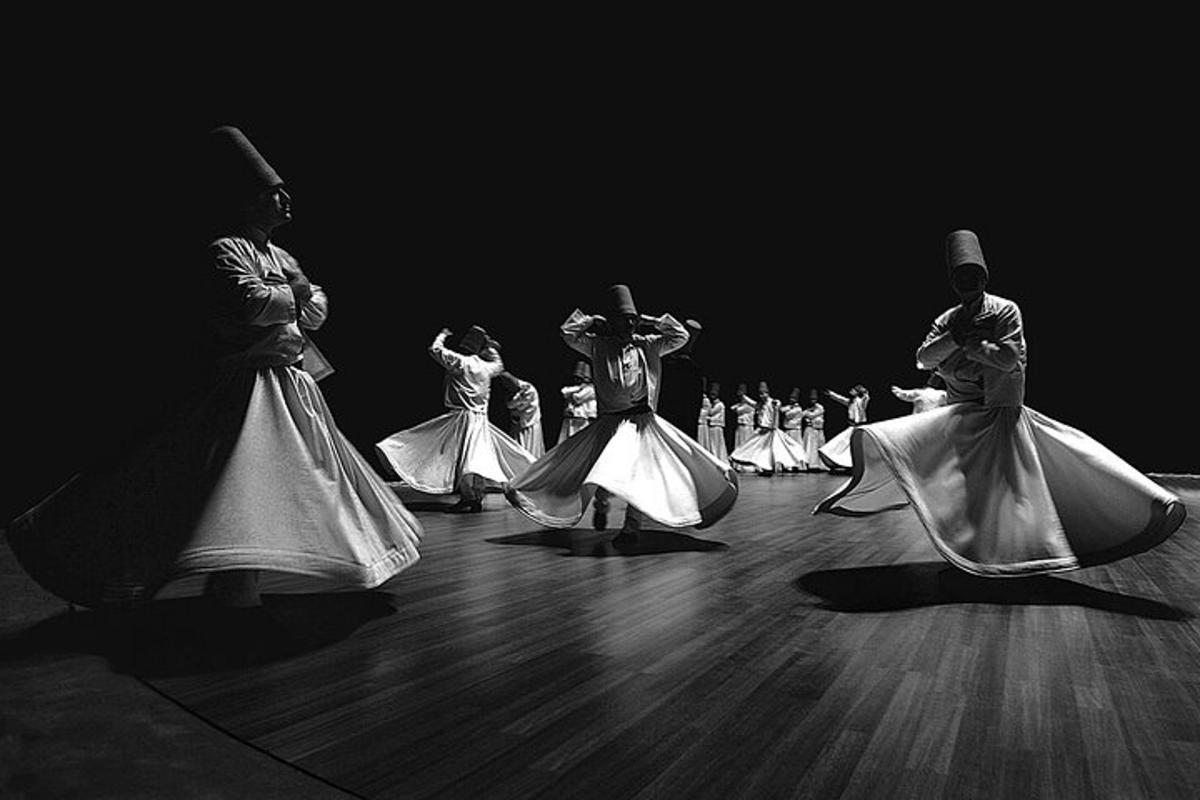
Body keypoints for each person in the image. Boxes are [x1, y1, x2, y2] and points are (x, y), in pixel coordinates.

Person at [6, 125, 423, 610]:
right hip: (246, 384)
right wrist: (297, 291)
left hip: (290, 382)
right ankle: (228, 584)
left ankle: (246, 582)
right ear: (248, 201)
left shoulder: (281, 255)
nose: (286, 201)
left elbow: (315, 314)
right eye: (273, 194)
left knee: (305, 477)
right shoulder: (225, 249)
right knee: (233, 479)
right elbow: (251, 303)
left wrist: (294, 295)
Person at [814, 229, 1186, 576]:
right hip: (960, 413)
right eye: (960, 276)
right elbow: (922, 358)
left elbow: (1008, 358)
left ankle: (1022, 552)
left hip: (999, 413)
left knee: (1009, 488)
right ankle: (983, 550)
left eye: (973, 275)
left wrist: (972, 345)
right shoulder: (948, 319)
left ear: (984, 277)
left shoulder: (1006, 309)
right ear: (953, 282)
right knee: (959, 482)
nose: (967, 282)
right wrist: (957, 339)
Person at [504, 284, 738, 546]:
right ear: (612, 322)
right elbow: (567, 333)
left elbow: (680, 336)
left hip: (642, 422)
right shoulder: (597, 345)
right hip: (611, 421)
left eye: (632, 320)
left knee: (639, 475)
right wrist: (592, 320)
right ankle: (602, 503)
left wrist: (650, 320)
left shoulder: (649, 345)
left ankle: (630, 528)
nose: (628, 325)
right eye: (623, 320)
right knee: (605, 471)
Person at [376, 325, 535, 513]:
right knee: (475, 458)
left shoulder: (460, 362)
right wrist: (491, 348)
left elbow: (435, 350)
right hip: (480, 419)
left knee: (467, 459)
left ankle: (470, 498)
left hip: (463, 418)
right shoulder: (486, 367)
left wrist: (442, 335)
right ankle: (474, 497)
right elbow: (499, 365)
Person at [729, 380, 808, 475]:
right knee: (753, 447)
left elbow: (778, 405)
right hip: (762, 430)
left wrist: (776, 405)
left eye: (763, 394)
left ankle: (772, 467)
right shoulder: (761, 404)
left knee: (779, 449)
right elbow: (752, 404)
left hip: (771, 431)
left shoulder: (773, 402)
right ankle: (741, 459)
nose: (761, 396)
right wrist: (743, 396)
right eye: (760, 394)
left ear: (768, 393)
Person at [818, 384, 870, 472]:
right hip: (851, 427)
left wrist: (864, 391)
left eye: (853, 390)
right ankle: (844, 463)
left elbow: (866, 398)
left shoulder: (861, 402)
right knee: (842, 444)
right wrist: (831, 394)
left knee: (852, 446)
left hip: (858, 427)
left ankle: (852, 464)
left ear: (857, 392)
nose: (851, 391)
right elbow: (840, 398)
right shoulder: (850, 402)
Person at [499, 371, 545, 459]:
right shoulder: (514, 391)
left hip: (529, 423)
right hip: (518, 424)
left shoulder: (528, 389)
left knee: (528, 447)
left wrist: (512, 404)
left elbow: (512, 404)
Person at [558, 360, 597, 444]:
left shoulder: (591, 389)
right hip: (572, 418)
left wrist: (574, 393)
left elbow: (578, 398)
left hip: (583, 420)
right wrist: (578, 388)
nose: (576, 380)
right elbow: (564, 391)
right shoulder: (578, 388)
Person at [729, 383, 758, 472]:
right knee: (739, 444)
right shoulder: (742, 404)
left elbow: (737, 410)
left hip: (747, 427)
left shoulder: (749, 405)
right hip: (741, 426)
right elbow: (732, 407)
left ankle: (747, 465)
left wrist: (743, 399)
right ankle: (739, 465)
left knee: (746, 445)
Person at [697, 381, 728, 462]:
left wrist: (707, 415)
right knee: (712, 444)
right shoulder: (714, 404)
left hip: (716, 427)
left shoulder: (719, 405)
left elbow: (711, 412)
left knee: (716, 444)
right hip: (712, 427)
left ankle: (718, 458)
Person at [801, 389, 827, 471]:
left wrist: (807, 413)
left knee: (818, 447)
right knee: (809, 447)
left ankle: (818, 464)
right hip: (810, 429)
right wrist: (807, 412)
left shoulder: (820, 407)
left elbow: (812, 415)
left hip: (818, 429)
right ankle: (809, 464)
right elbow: (802, 415)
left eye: (814, 399)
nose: (813, 401)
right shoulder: (808, 407)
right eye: (811, 399)